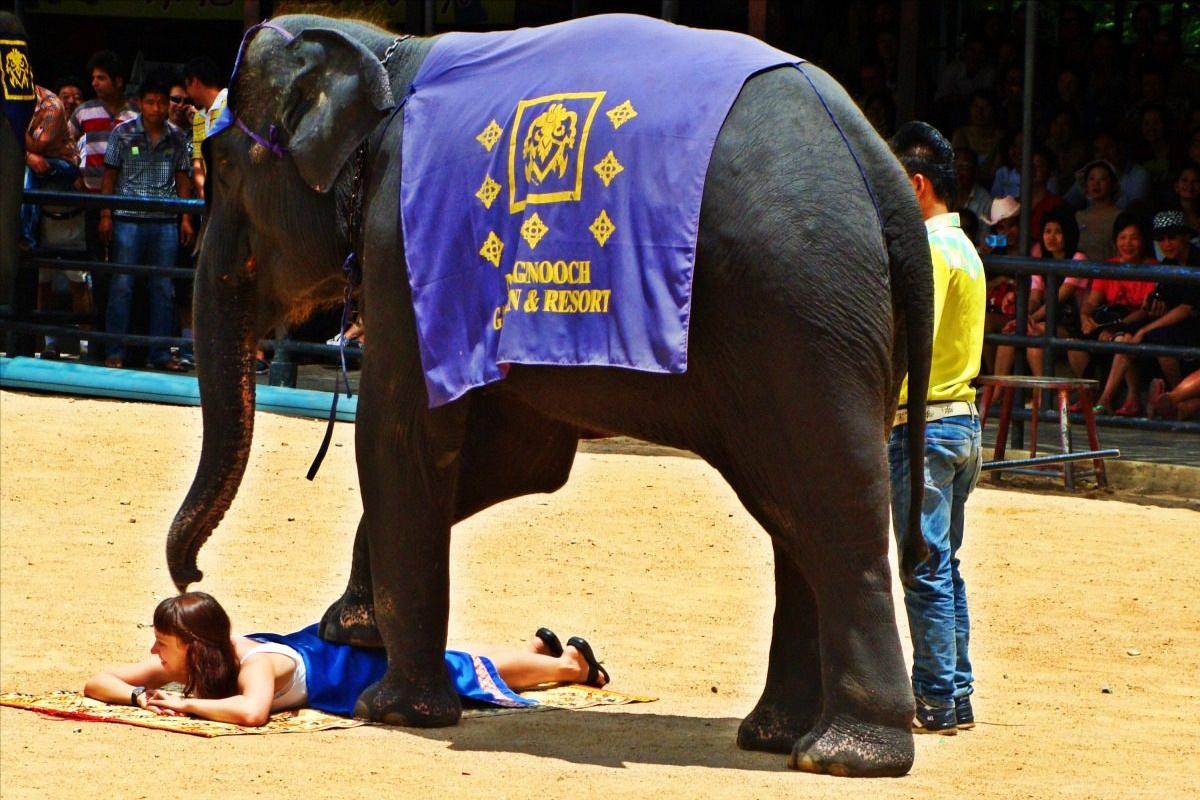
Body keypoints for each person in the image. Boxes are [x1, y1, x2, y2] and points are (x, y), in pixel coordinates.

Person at [84, 592, 609, 725]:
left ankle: (570, 668)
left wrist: (186, 708)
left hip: (344, 665)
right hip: (314, 646)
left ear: (192, 646)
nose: (154, 654)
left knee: (454, 667)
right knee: (454, 658)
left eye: (161, 645)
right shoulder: (191, 662)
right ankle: (536, 655)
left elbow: (252, 713)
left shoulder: (254, 665)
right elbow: (95, 682)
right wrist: (136, 696)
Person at [888, 121, 986, 736]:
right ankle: (958, 693)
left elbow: (910, 343)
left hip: (924, 425)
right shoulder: (967, 249)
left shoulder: (929, 250)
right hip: (963, 422)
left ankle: (938, 699)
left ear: (918, 185)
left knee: (924, 566)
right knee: (943, 564)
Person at [100, 68, 194, 371]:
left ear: (168, 104)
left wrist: (185, 218)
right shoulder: (122, 132)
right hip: (127, 217)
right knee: (122, 285)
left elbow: (183, 179)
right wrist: (106, 214)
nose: (156, 108)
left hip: (165, 220)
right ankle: (114, 351)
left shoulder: (177, 137)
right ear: (140, 102)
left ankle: (161, 354)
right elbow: (109, 175)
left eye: (161, 103)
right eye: (151, 102)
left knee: (163, 289)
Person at [22, 84, 84, 360]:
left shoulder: (51, 105)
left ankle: (88, 344)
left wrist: (15, 138)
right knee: (42, 282)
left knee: (77, 281)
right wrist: (26, 154)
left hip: (63, 177)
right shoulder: (15, 103)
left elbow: (39, 144)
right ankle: (48, 344)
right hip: (44, 212)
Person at [993, 207, 1090, 377]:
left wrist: (1026, 320)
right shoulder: (1041, 259)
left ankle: (1040, 396)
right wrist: (1021, 319)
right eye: (1047, 231)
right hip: (1043, 320)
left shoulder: (1079, 259)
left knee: (1034, 333)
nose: (1051, 237)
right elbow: (1035, 298)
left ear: (1068, 233)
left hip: (1073, 326)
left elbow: (1056, 300)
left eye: (1058, 232)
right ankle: (996, 394)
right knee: (1010, 335)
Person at [1080, 212, 1158, 415]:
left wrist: (1115, 327)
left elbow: (1144, 311)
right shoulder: (1109, 266)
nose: (1128, 243)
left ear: (1144, 241)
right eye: (1122, 237)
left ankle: (1106, 399)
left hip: (1137, 324)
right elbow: (1091, 301)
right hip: (1112, 323)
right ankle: (1086, 395)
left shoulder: (1153, 268)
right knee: (1076, 343)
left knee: (1124, 340)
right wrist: (1085, 317)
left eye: (1134, 237)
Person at [1074, 160, 1122, 263]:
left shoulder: (1120, 217)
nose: (1096, 184)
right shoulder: (1078, 217)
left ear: (1112, 184)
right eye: (1091, 179)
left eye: (1103, 179)